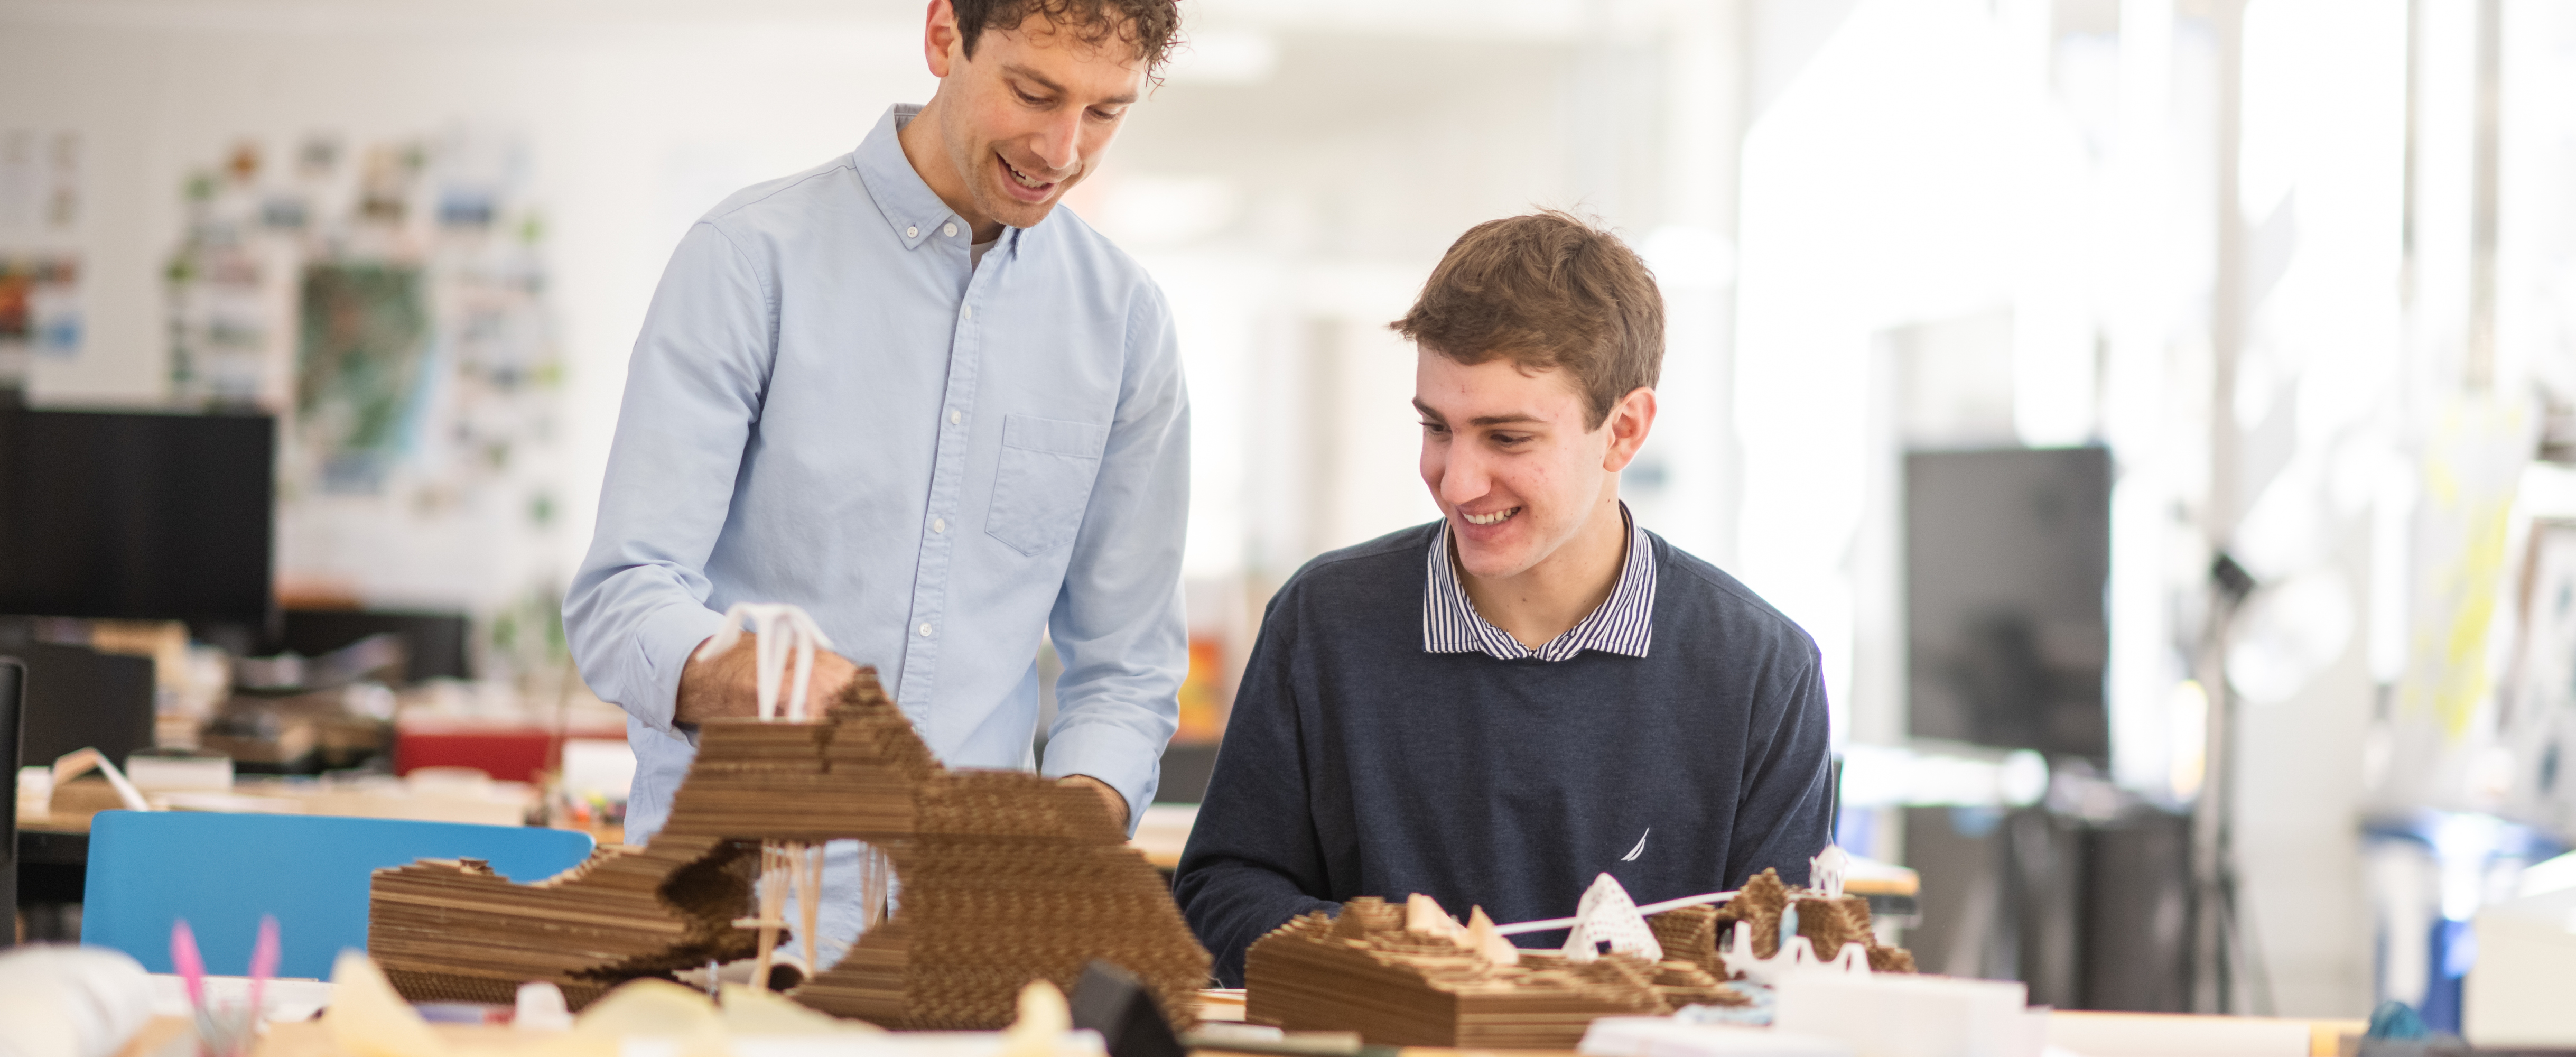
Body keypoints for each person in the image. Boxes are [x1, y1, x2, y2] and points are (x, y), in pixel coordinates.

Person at [565, 0, 1190, 966]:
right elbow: (621, 599)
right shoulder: (747, 261)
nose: (1063, 149)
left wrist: (1070, 824)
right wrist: (747, 679)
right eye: (1034, 92)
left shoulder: (1126, 325)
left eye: (1106, 112)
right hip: (727, 927)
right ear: (944, 37)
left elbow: (1127, 667)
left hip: (969, 944)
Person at [1169, 211, 1834, 985]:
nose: (1456, 482)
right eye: (1436, 428)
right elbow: (1220, 897)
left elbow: (1780, 979)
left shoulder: (1762, 672)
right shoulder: (1324, 623)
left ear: (1623, 431)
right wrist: (1396, 957)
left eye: (1507, 438)